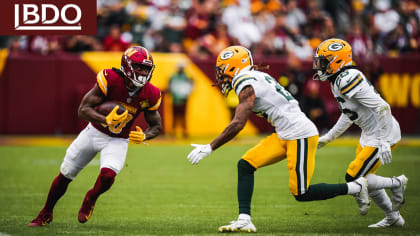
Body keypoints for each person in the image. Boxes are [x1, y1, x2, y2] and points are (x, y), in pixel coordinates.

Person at [186, 46, 369, 233]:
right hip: (284, 133)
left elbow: (239, 122)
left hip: (300, 135)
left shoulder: (244, 80)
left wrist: (210, 147)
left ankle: (355, 187)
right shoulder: (253, 76)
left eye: (222, 69)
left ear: (233, 67)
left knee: (301, 192)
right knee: (246, 165)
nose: (220, 75)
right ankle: (244, 219)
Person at [28, 46, 162, 227]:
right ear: (127, 66)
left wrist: (144, 136)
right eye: (139, 67)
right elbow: (82, 110)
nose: (143, 72)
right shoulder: (111, 79)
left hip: (118, 139)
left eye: (146, 69)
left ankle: (91, 197)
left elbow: (157, 126)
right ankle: (46, 212)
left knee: (108, 176)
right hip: (94, 132)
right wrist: (106, 120)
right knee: (66, 174)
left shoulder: (151, 93)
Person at [313, 38, 407, 228]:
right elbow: (349, 114)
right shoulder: (337, 80)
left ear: (337, 61)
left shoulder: (347, 78)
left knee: (354, 178)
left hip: (383, 132)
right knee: (363, 178)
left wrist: (383, 141)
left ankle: (397, 183)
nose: (319, 67)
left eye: (323, 62)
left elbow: (382, 107)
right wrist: (329, 138)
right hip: (370, 133)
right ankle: (393, 217)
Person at [168, 62, 194, 138]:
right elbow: (169, 87)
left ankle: (184, 132)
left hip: (183, 100)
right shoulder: (173, 76)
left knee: (183, 117)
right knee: (174, 117)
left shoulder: (187, 76)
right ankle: (173, 132)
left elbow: (190, 87)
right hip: (175, 99)